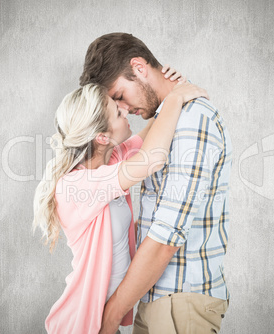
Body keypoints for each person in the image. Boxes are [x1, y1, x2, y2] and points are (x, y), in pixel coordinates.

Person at [32, 68, 208, 333]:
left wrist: (171, 87)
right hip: (81, 322)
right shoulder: (76, 185)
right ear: (102, 137)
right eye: (118, 112)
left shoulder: (112, 159)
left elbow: (152, 132)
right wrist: (174, 100)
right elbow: (152, 158)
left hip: (105, 317)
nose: (126, 111)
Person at [80, 32, 233, 334]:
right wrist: (175, 93)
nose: (121, 110)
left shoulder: (193, 120)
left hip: (181, 303)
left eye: (120, 96)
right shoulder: (169, 118)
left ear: (139, 67)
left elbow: (166, 237)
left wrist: (111, 315)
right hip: (153, 298)